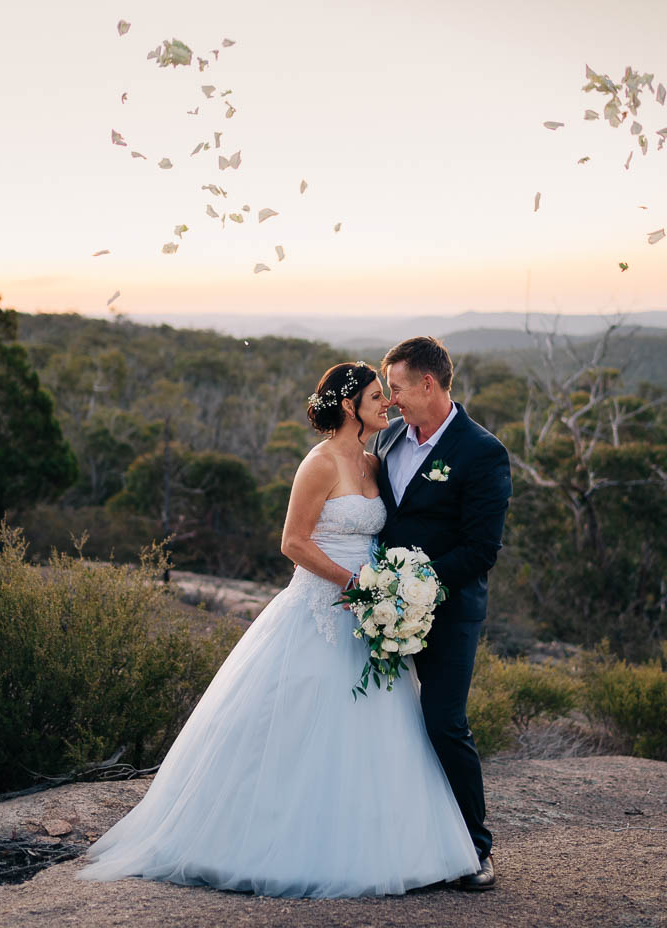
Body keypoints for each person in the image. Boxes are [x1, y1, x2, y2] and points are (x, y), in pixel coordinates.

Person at [79, 362, 479, 897]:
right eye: (377, 397)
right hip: (322, 606)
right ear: (347, 406)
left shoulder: (372, 460)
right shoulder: (318, 464)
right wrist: (355, 585)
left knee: (376, 731)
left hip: (368, 615)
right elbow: (293, 542)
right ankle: (273, 840)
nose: (387, 404)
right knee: (300, 723)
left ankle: (386, 843)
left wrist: (386, 589)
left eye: (389, 395)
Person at [373, 336, 513, 891]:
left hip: (449, 613)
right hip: (382, 610)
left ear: (428, 383)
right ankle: (404, 840)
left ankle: (475, 848)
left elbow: (482, 552)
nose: (391, 400)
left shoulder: (482, 451)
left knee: (443, 722)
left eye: (398, 388)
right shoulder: (386, 441)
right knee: (385, 723)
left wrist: (415, 586)